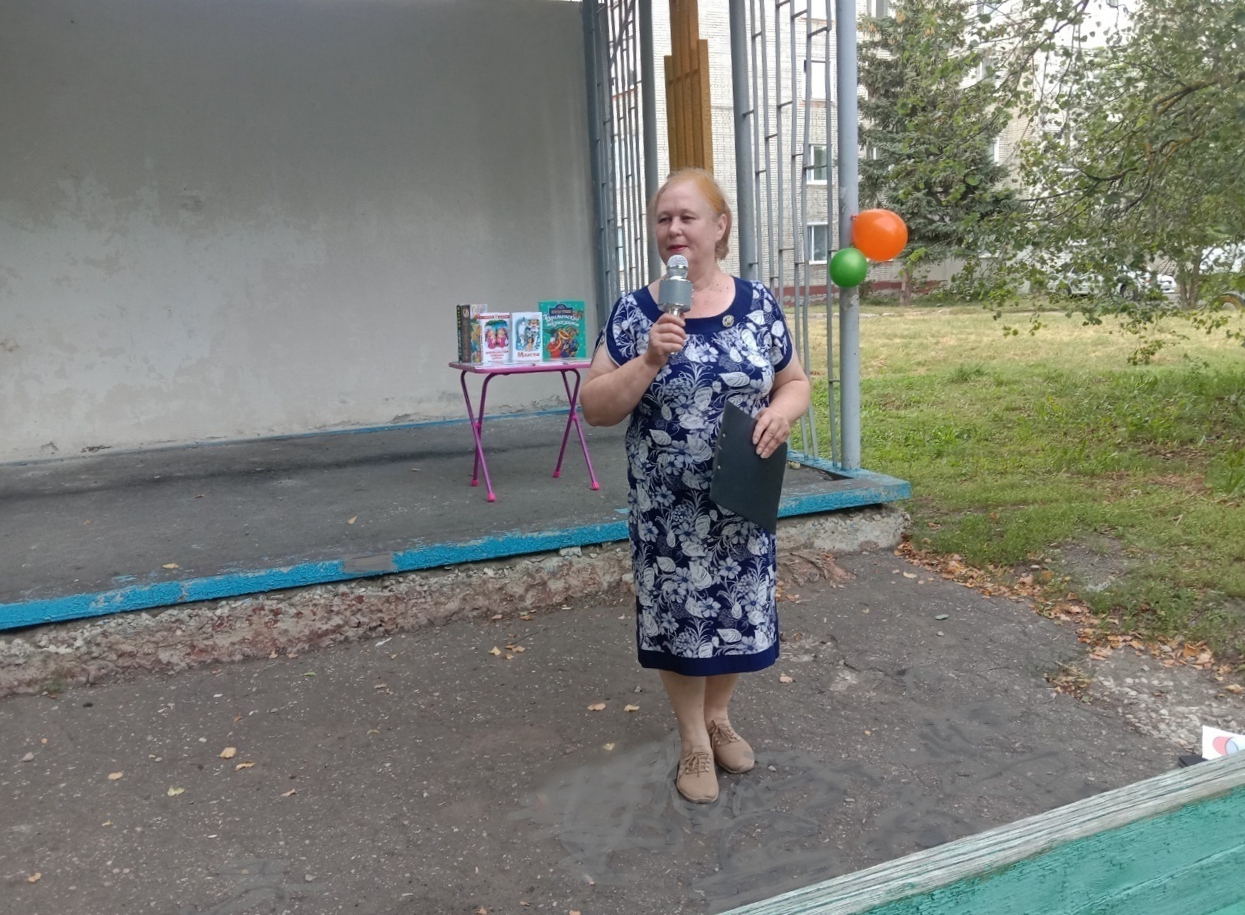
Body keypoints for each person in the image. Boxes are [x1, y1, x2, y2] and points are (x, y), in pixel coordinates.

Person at [580, 168, 812, 803]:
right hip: (669, 512)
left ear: (720, 226)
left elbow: (794, 382)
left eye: (687, 217)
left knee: (737, 615)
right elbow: (595, 407)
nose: (674, 229)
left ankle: (719, 717)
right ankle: (692, 742)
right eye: (664, 219)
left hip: (741, 499)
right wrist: (649, 358)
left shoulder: (759, 305)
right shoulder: (636, 311)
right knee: (679, 620)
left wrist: (781, 412)